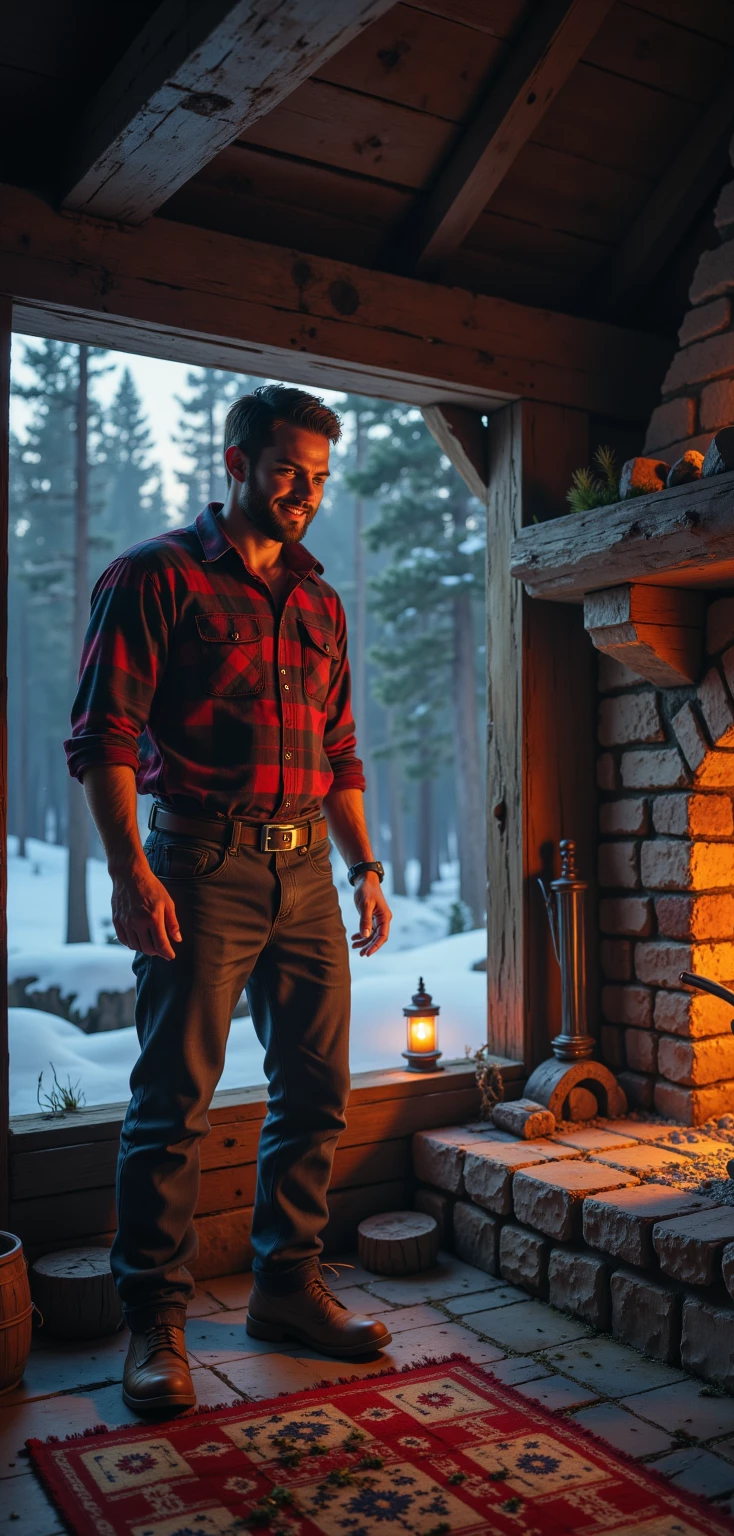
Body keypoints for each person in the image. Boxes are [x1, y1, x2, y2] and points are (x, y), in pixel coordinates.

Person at [65, 384, 394, 1417]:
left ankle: (285, 1288)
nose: (305, 492)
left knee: (315, 1091)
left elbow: (340, 750)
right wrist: (129, 872)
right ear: (237, 460)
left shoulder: (319, 600)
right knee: (172, 1104)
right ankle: (154, 1320)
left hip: (305, 876)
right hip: (198, 869)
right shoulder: (154, 577)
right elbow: (103, 739)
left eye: (319, 477)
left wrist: (366, 869)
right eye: (289, 468)